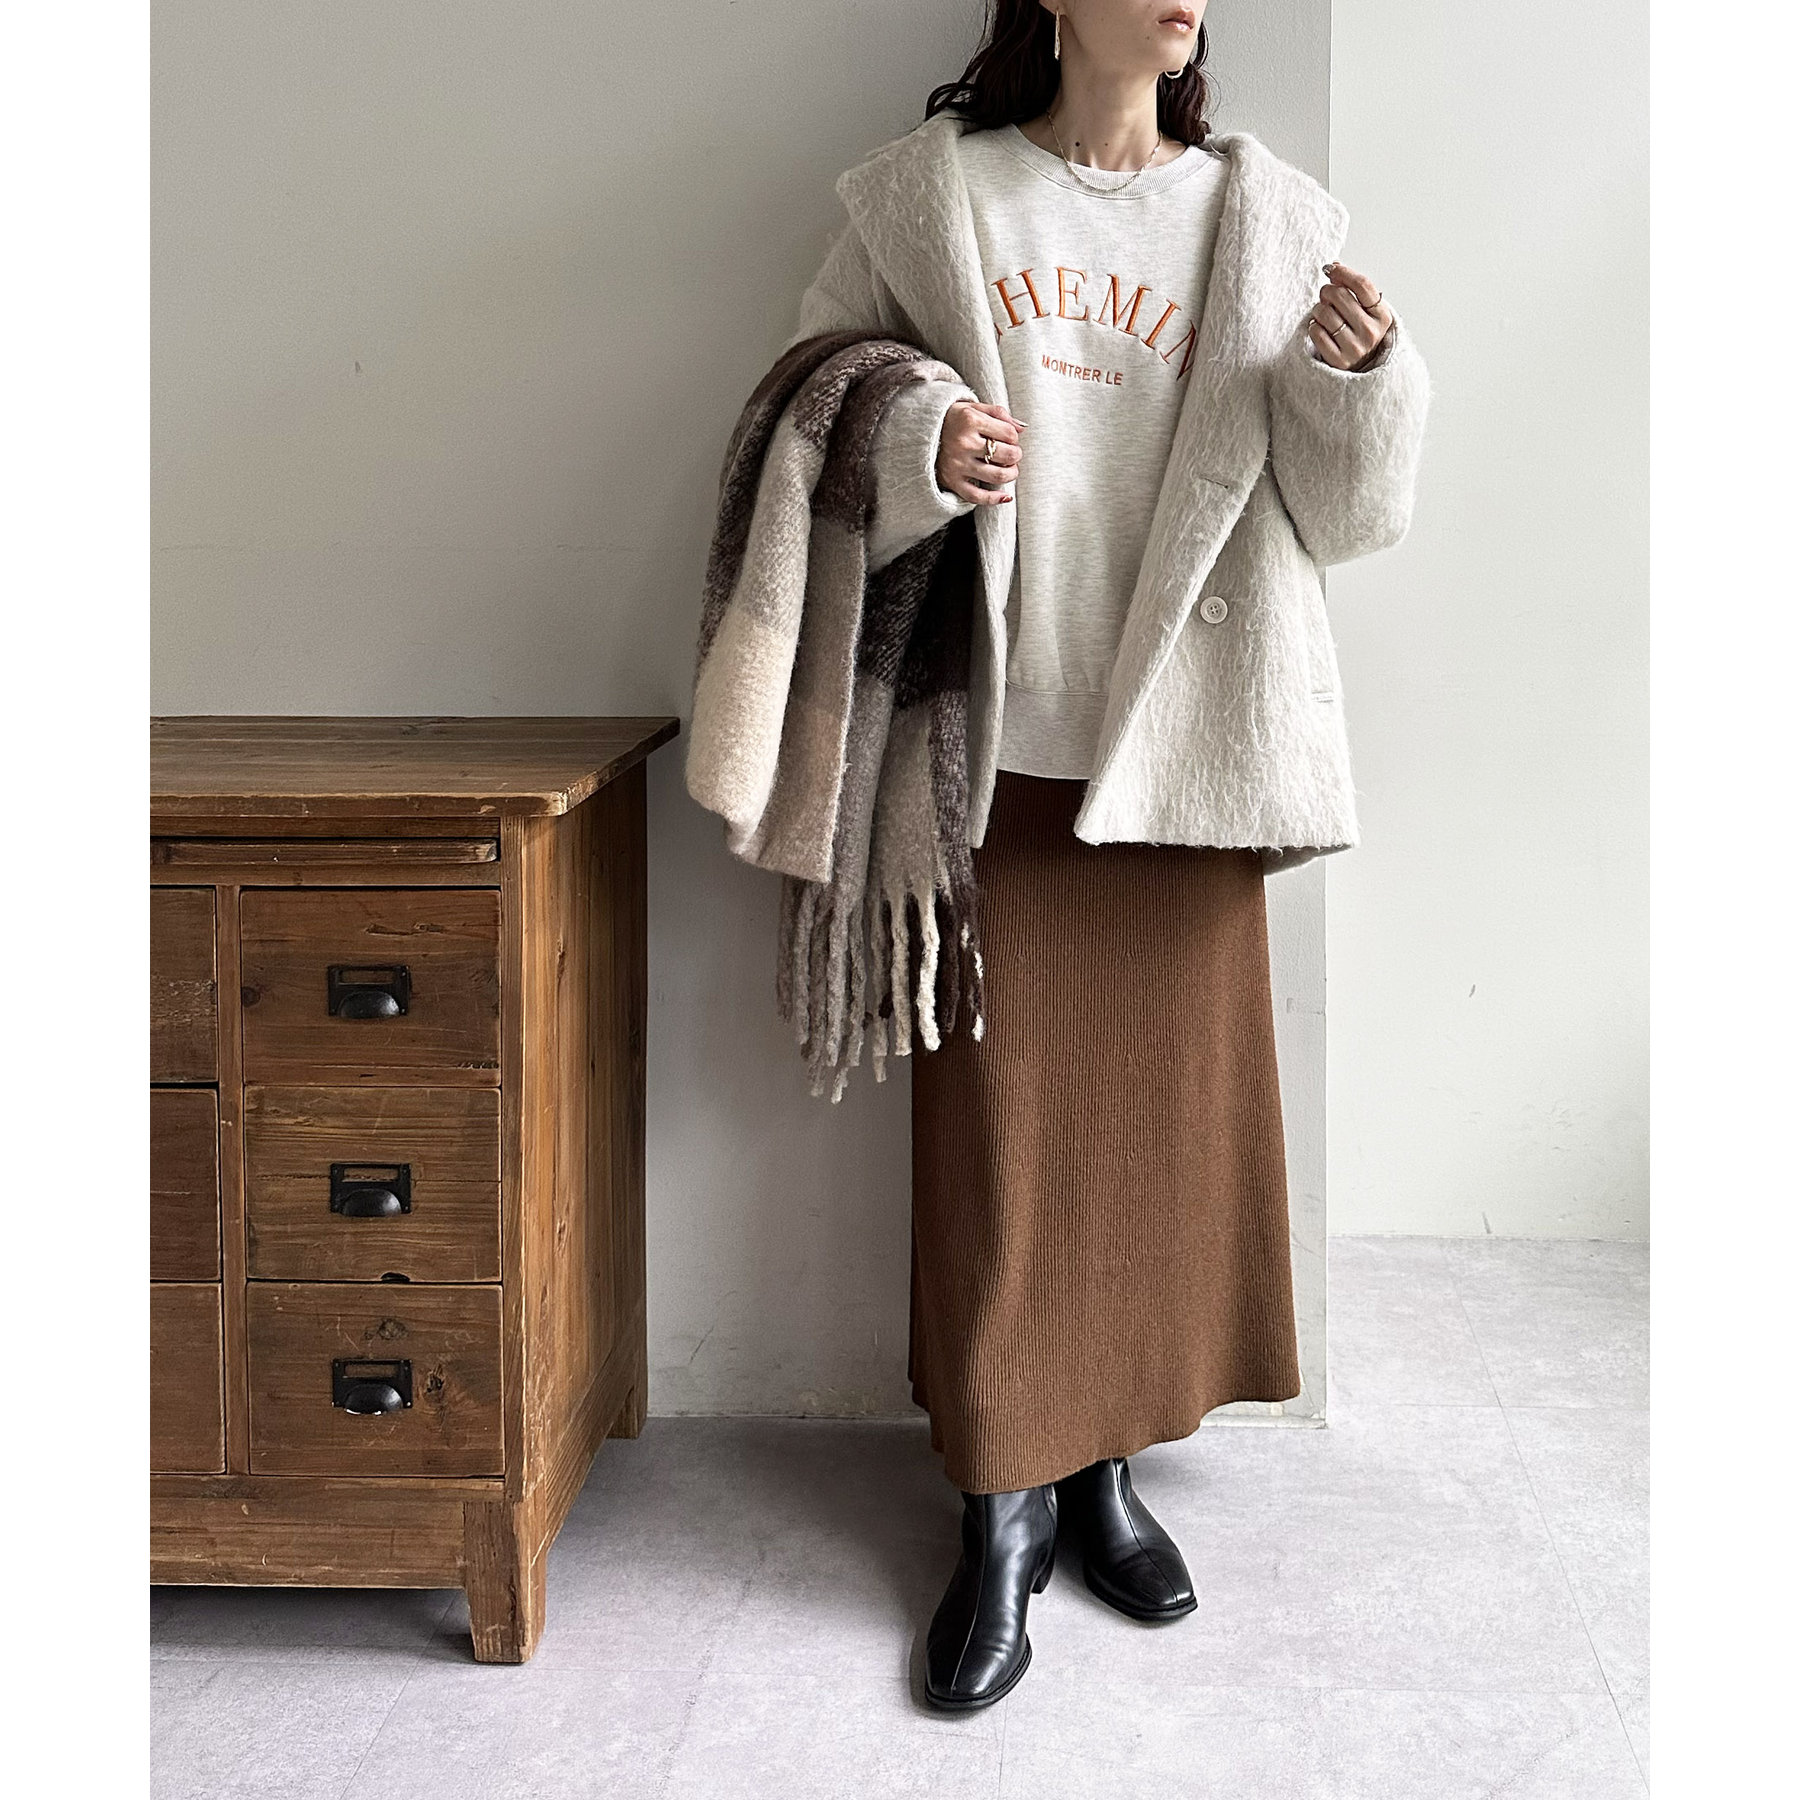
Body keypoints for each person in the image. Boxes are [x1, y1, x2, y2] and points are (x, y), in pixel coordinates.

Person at [779, 0, 1431, 1709]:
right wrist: (921, 445)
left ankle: (1105, 1473)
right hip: (996, 734)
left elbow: (1349, 519)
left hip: (1186, 740)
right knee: (998, 1140)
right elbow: (808, 401)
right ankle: (1001, 1501)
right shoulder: (938, 197)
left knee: (1163, 1134)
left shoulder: (1266, 218)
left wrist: (1355, 382)